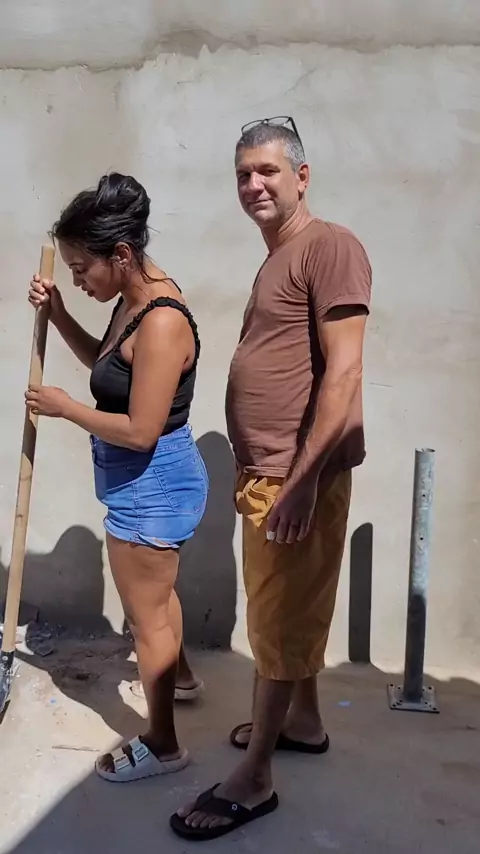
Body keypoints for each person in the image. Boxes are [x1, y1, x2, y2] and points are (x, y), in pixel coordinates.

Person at [172, 117, 372, 840]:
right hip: (273, 472)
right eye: (243, 174)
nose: (253, 184)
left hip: (295, 477)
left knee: (277, 623)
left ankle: (255, 778)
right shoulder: (282, 253)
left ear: (302, 176)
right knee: (290, 610)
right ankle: (304, 723)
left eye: (267, 171)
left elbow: (344, 373)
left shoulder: (331, 246)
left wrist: (303, 480)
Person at [25, 172, 208, 783]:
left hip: (153, 482)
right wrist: (58, 314)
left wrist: (64, 408)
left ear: (121, 254)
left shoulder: (160, 321)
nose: (79, 280)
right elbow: (107, 369)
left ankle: (163, 745)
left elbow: (140, 430)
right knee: (157, 600)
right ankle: (180, 678)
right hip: (144, 480)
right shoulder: (132, 301)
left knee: (145, 618)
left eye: (82, 269)